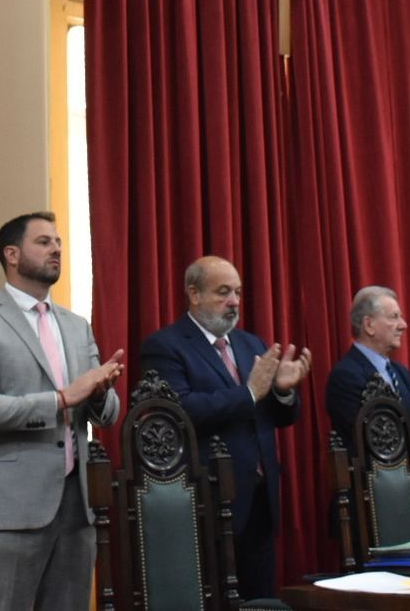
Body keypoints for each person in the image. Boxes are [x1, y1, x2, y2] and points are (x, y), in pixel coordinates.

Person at [0, 211, 124, 611]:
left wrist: (99, 394)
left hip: (77, 506)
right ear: (11, 254)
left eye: (58, 242)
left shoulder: (76, 325)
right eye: (44, 242)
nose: (56, 249)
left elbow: (107, 414)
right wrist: (61, 399)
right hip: (9, 508)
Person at [140, 255, 311, 600]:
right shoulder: (165, 347)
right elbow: (180, 412)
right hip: (207, 499)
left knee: (260, 599)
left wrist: (282, 391)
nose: (234, 301)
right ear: (194, 294)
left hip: (260, 497)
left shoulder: (252, 345)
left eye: (237, 292)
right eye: (223, 292)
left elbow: (278, 418)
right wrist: (248, 393)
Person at [325, 285, 410, 448]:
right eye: (394, 317)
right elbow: (377, 437)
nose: (403, 325)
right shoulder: (345, 376)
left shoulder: (400, 372)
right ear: (369, 325)